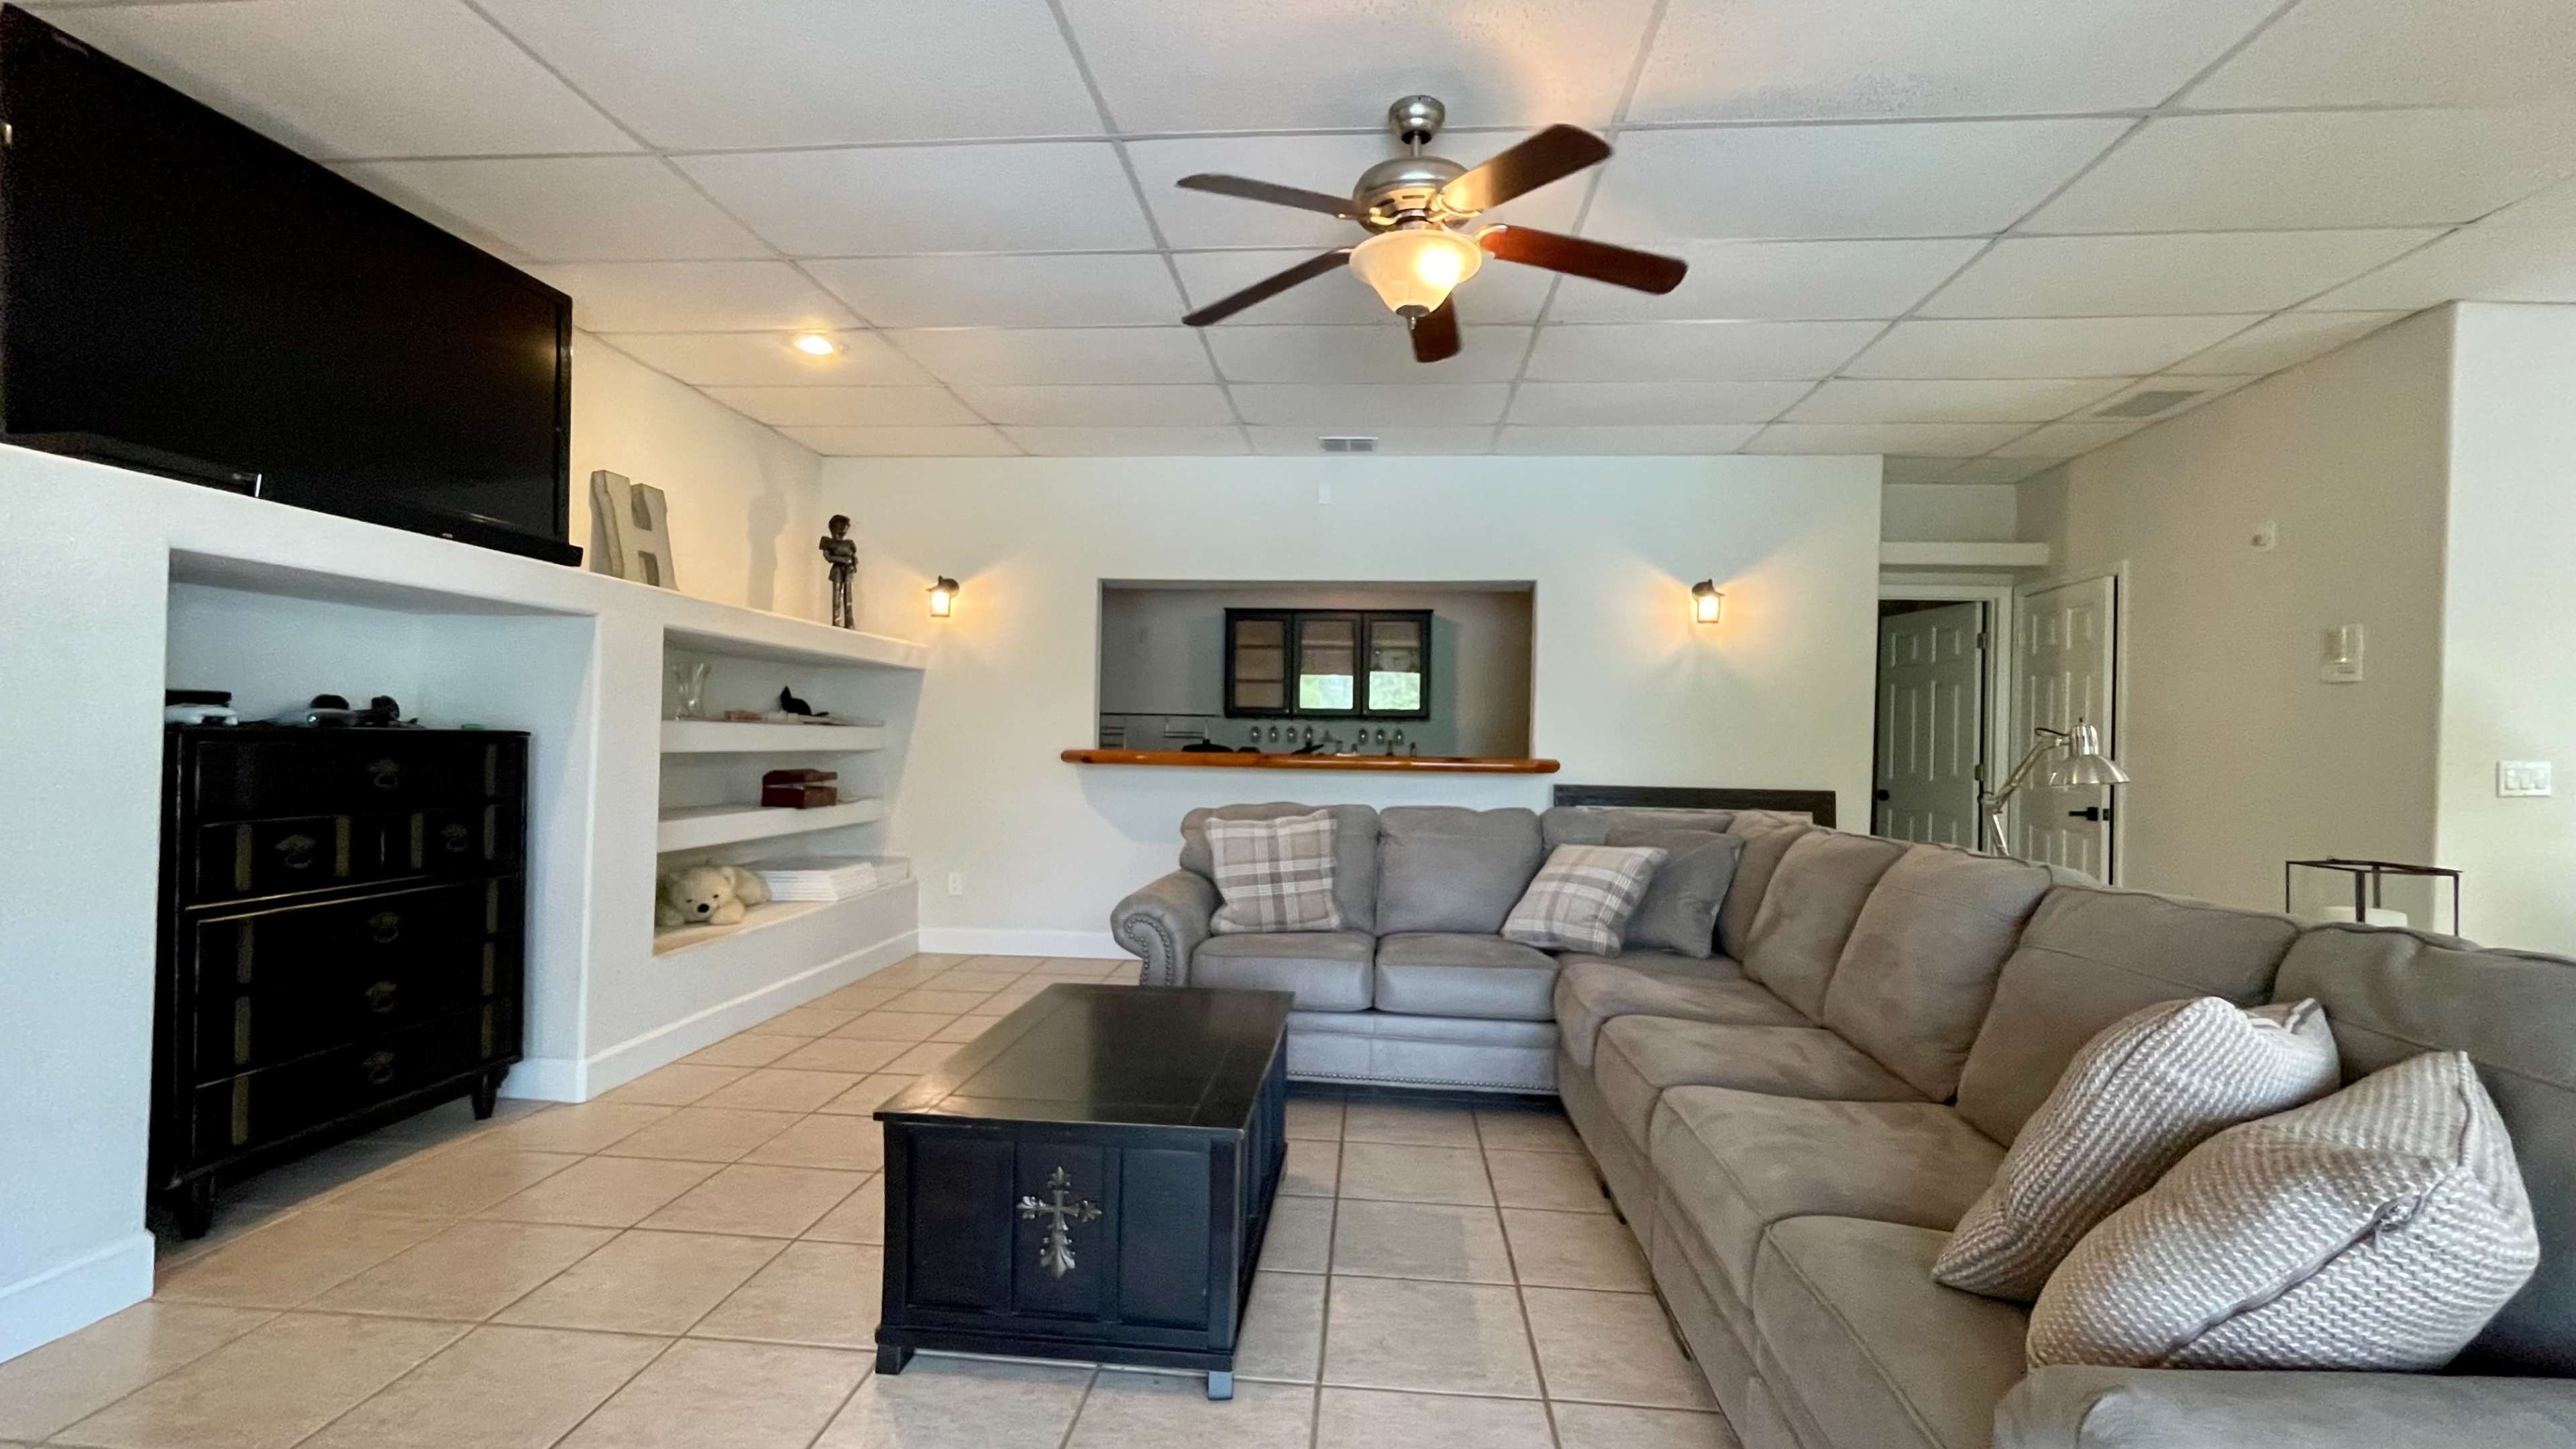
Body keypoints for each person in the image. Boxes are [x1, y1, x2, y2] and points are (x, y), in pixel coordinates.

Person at [819, 514, 858, 628]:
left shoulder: (849, 543)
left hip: (848, 571)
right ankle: (836, 620)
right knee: (837, 596)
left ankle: (849, 621)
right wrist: (844, 560)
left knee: (848, 597)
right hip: (838, 570)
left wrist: (852, 565)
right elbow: (829, 557)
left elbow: (854, 558)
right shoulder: (827, 541)